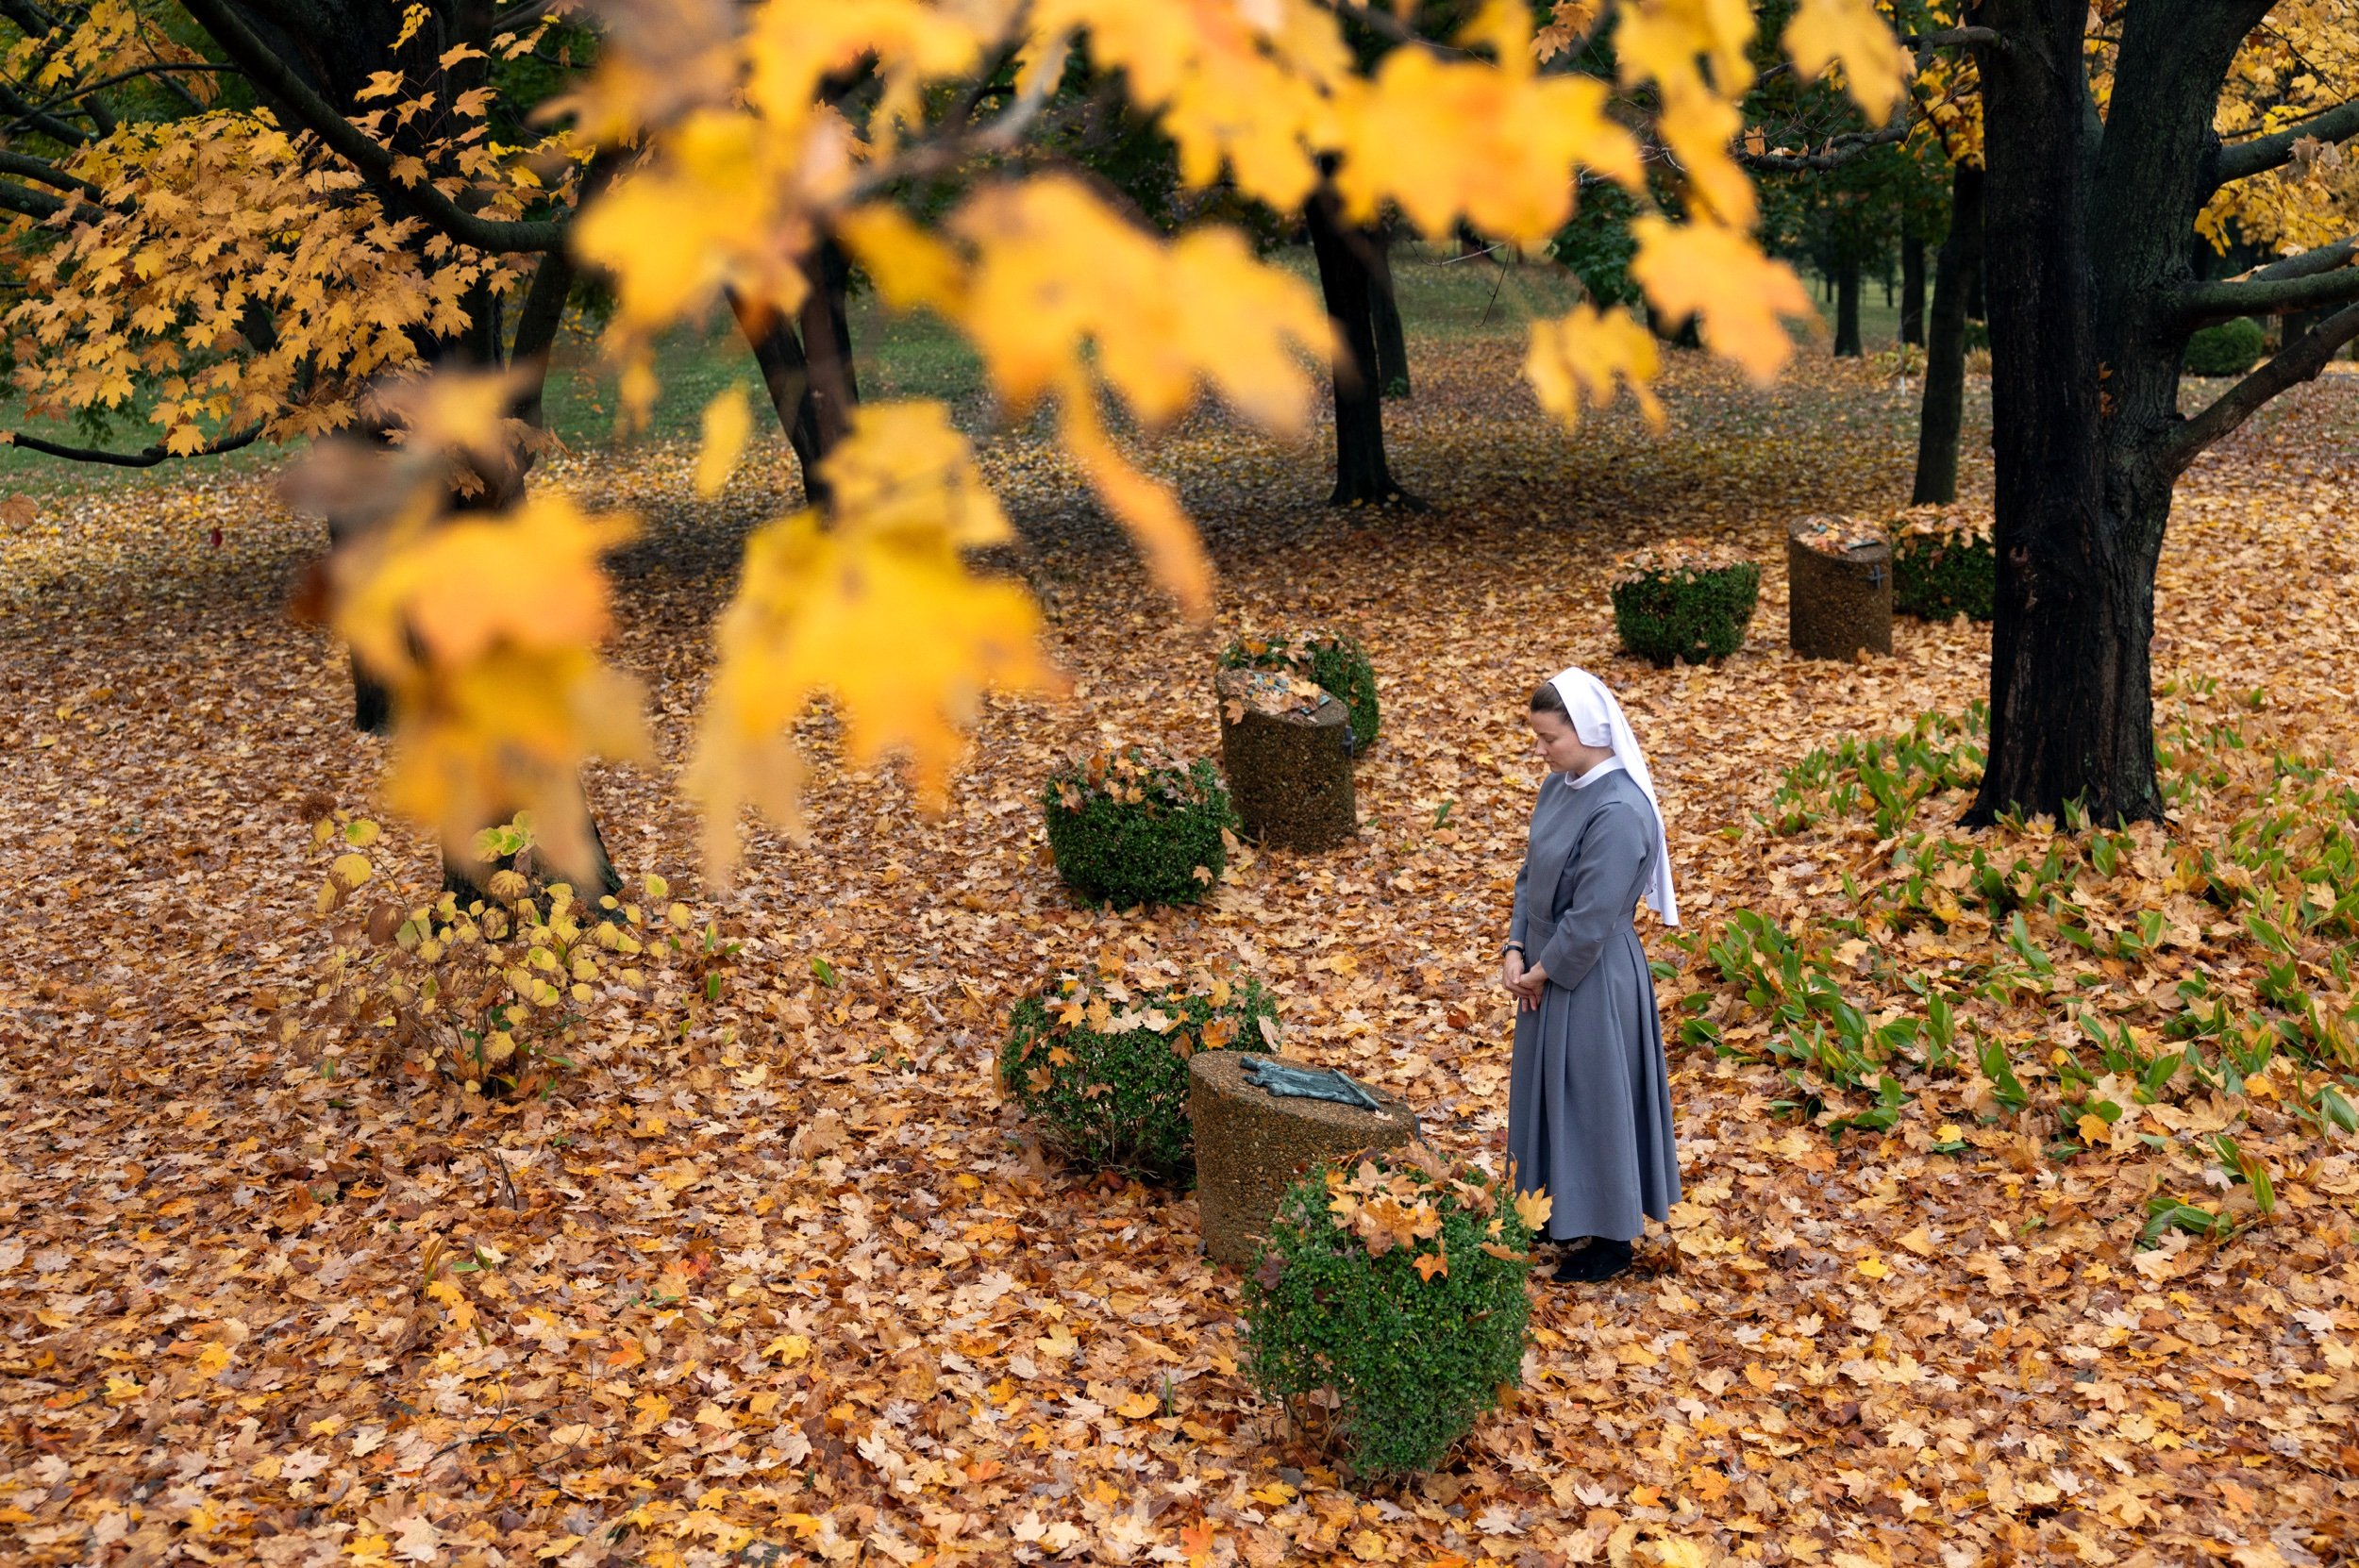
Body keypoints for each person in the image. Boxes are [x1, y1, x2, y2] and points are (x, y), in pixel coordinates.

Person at [1501, 666, 1681, 1283]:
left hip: (1594, 974)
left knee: (1593, 1095)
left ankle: (1609, 1236)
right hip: (1545, 968)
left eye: (1550, 738)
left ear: (1590, 729)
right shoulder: (1560, 786)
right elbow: (1530, 879)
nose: (1542, 750)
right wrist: (1515, 947)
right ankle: (1557, 1209)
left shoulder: (1621, 810)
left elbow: (1597, 913)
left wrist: (1546, 971)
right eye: (1539, 738)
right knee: (1552, 1092)